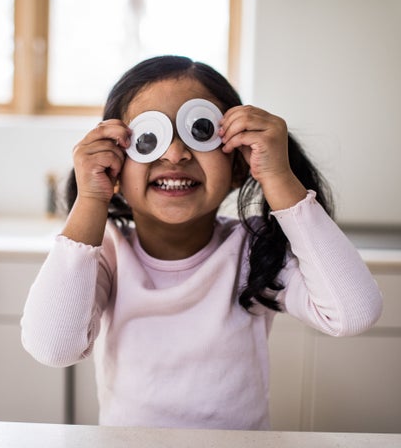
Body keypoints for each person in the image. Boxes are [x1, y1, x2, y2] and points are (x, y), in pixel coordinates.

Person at [21, 55, 382, 430]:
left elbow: (352, 313)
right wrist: (91, 199)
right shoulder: (107, 254)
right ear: (114, 166)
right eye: (149, 138)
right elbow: (53, 347)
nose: (175, 154)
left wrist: (278, 176)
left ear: (238, 165)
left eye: (200, 131)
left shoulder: (253, 248)